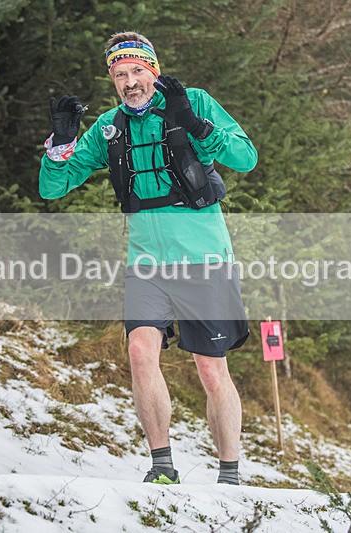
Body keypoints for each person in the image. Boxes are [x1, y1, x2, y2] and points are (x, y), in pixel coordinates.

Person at [39, 31, 257, 485]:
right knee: (140, 351)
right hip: (146, 264)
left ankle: (230, 474)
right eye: (120, 74)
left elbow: (245, 157)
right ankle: (161, 466)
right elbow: (52, 188)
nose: (130, 81)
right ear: (113, 81)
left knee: (211, 368)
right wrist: (61, 143)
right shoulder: (108, 127)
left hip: (203, 257)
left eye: (137, 70)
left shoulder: (192, 99)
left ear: (153, 70)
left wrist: (196, 125)